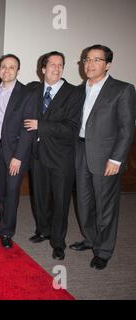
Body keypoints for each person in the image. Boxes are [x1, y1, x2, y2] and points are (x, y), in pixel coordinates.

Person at [70, 44, 135, 270]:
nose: (90, 64)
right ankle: (90, 240)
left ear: (107, 65)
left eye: (97, 60)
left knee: (105, 205)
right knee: (84, 202)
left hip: (106, 158)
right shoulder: (79, 90)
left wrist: (116, 159)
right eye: (87, 59)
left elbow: (127, 129)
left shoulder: (122, 89)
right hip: (80, 151)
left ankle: (104, 250)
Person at [24, 51, 82, 260]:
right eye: (52, 65)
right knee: (40, 198)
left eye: (60, 65)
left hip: (61, 158)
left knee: (60, 201)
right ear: (43, 69)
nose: (56, 69)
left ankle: (58, 243)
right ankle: (43, 230)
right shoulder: (34, 89)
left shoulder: (74, 93)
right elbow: (8, 87)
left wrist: (42, 125)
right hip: (38, 156)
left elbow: (71, 128)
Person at [0, 54, 37, 248]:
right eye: (3, 67)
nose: (6, 70)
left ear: (18, 70)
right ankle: (2, 222)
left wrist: (18, 156)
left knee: (11, 191)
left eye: (11, 67)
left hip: (15, 151)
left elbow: (28, 129)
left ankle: (7, 231)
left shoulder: (26, 93)